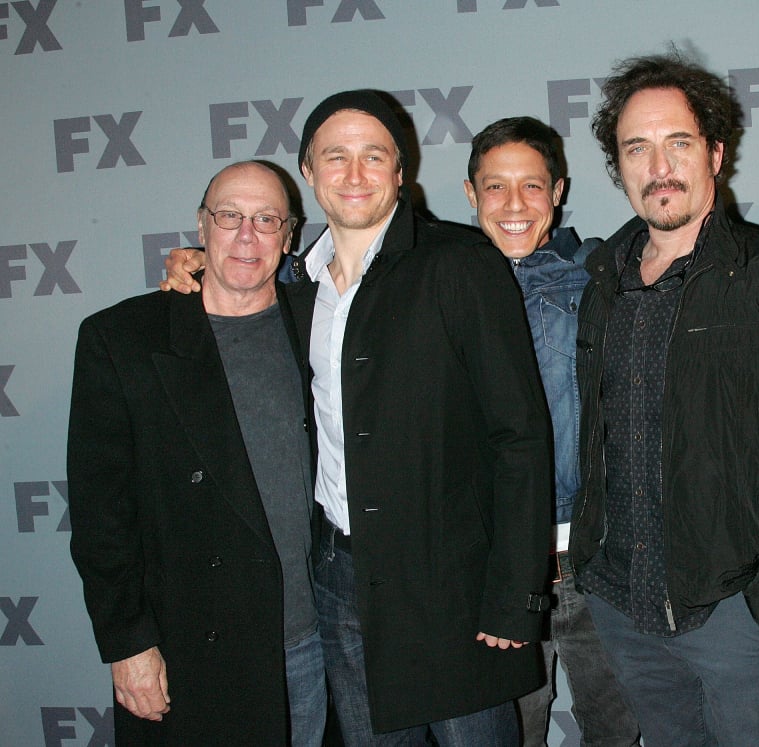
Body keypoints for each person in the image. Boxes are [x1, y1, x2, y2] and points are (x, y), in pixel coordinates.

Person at [164, 90, 553, 745]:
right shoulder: (296, 288)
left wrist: (513, 596)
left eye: (374, 156)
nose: (354, 173)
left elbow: (520, 437)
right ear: (309, 174)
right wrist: (192, 264)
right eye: (334, 156)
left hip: (451, 586)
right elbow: (232, 283)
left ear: (401, 173)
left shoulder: (458, 263)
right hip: (342, 582)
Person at [568, 53, 759, 746]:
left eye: (679, 142)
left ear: (716, 153)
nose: (658, 164)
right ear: (619, 166)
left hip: (737, 617)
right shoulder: (601, 278)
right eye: (637, 147)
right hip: (623, 606)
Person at [68, 161, 325, 745]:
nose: (246, 236)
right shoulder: (124, 339)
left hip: (310, 647)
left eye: (266, 220)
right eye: (229, 217)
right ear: (200, 227)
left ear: (290, 237)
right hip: (190, 650)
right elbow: (100, 515)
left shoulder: (319, 322)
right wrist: (127, 643)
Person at [462, 116, 640, 747]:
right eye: (495, 187)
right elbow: (332, 279)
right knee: (509, 734)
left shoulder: (604, 276)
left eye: (531, 187)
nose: (514, 206)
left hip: (598, 563)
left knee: (616, 733)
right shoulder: (443, 283)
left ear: (558, 190)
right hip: (494, 570)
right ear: (470, 193)